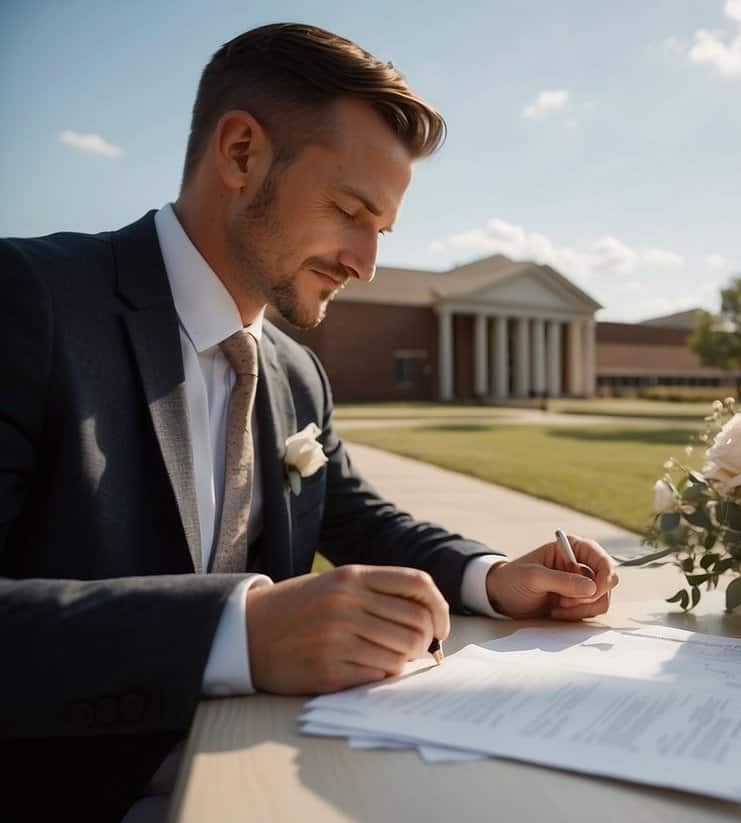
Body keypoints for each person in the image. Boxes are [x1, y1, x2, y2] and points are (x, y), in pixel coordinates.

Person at [0, 22, 618, 822]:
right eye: (348, 210)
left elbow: (356, 516)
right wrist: (242, 630)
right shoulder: (30, 302)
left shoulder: (297, 372)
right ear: (240, 153)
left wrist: (493, 575)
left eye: (381, 231)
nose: (365, 261)